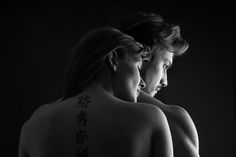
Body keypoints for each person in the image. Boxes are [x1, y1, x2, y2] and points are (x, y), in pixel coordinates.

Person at [18, 27, 174, 157]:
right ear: (113, 59)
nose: (142, 82)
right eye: (138, 68)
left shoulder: (34, 124)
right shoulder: (150, 118)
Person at [118, 12, 200, 157]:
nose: (165, 81)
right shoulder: (174, 119)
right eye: (164, 66)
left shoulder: (77, 110)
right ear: (142, 57)